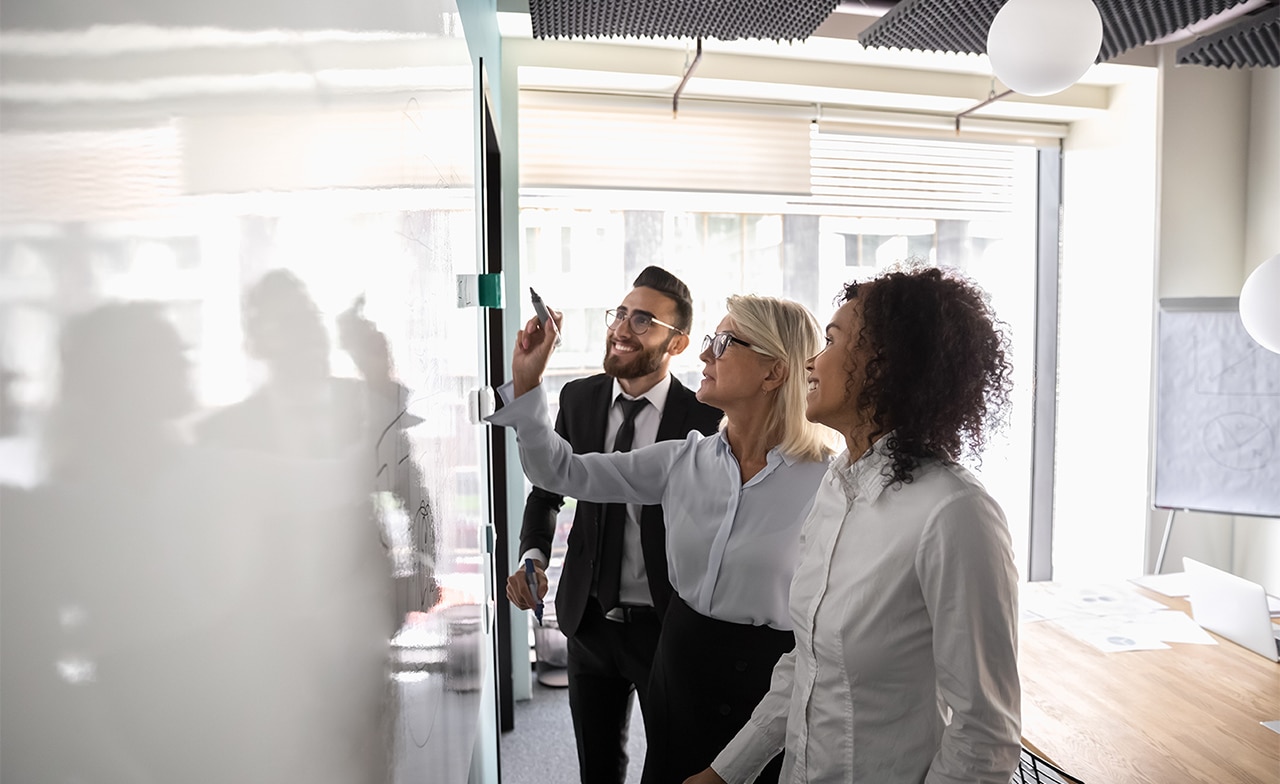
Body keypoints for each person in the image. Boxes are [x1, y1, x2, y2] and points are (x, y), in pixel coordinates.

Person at [684, 265, 1021, 784]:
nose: (812, 362)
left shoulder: (955, 513)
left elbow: (984, 737)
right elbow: (806, 664)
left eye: (832, 341)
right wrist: (727, 772)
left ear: (884, 365)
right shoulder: (837, 484)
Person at [494, 291, 835, 784]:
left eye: (723, 343)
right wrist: (528, 382)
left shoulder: (826, 481)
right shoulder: (682, 461)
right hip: (681, 665)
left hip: (771, 683)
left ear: (774, 371)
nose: (703, 354)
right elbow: (560, 471)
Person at [504, 266, 721, 784]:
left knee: (673, 766)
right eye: (620, 313)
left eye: (643, 320)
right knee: (597, 770)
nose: (622, 328)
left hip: (667, 626)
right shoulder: (579, 398)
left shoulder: (704, 419)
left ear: (679, 342)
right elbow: (547, 490)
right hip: (589, 619)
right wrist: (532, 556)